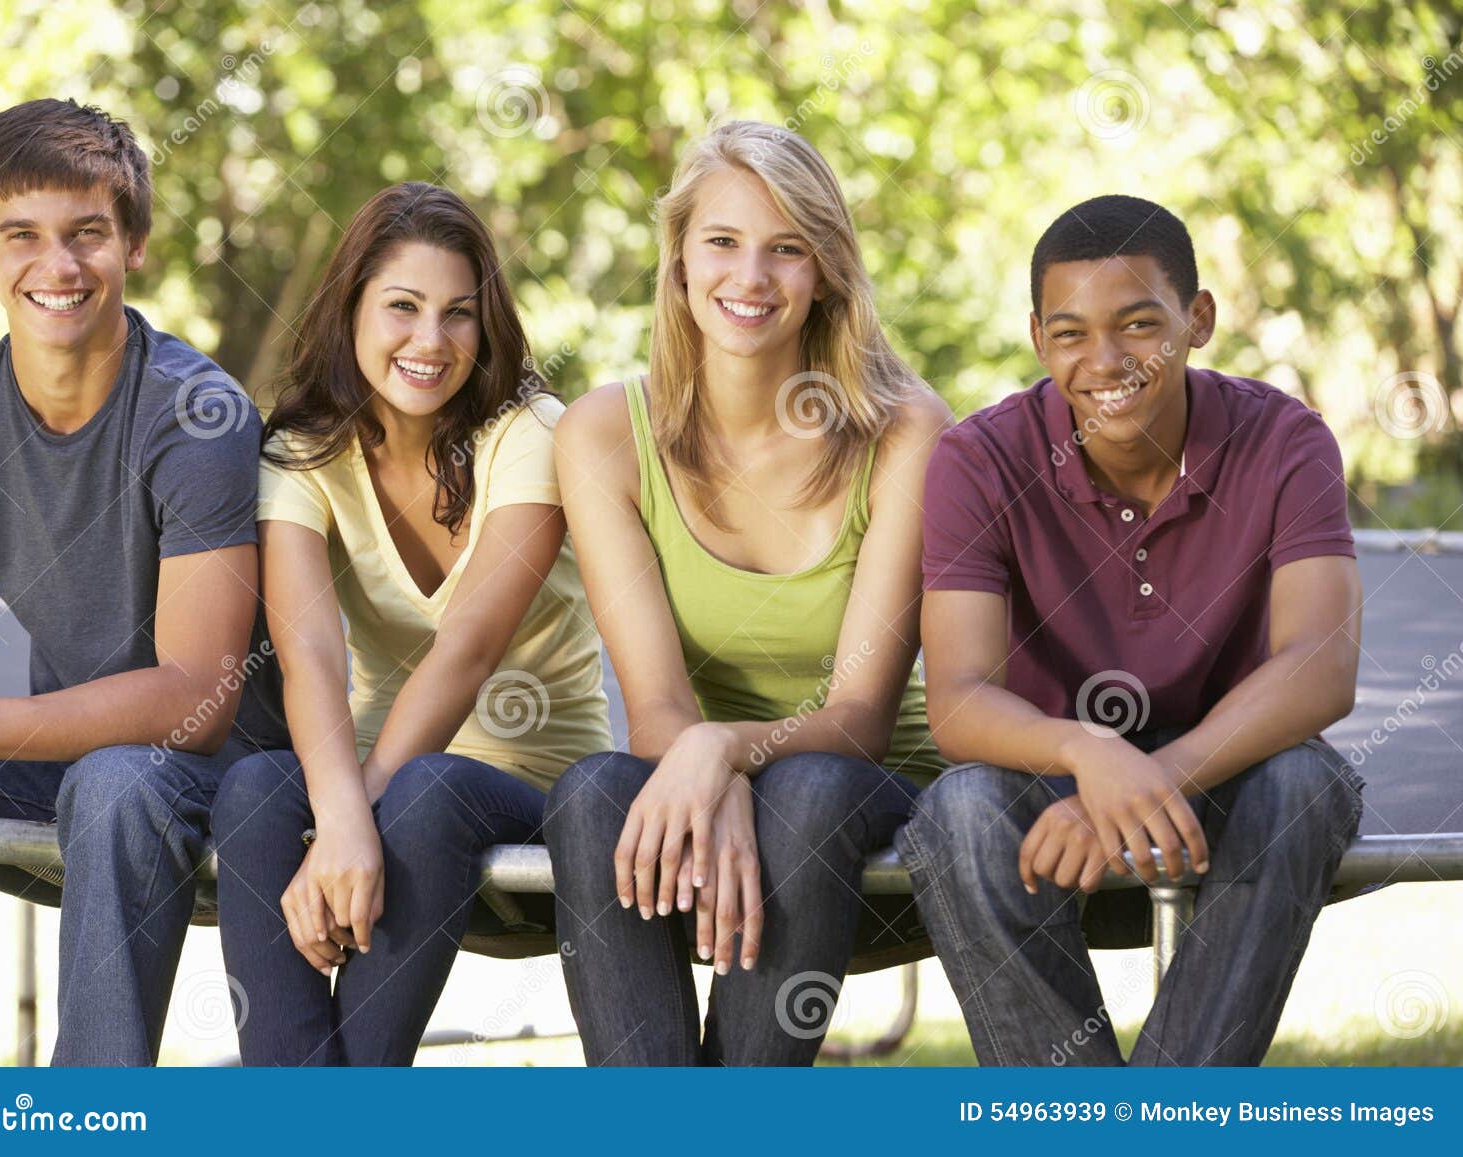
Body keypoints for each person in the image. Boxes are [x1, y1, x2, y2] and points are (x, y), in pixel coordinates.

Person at [0, 98, 288, 1066]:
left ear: (132, 243)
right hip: (65, 764)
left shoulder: (199, 413)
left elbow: (195, 699)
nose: (58, 267)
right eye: (23, 235)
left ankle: (90, 1113)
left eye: (87, 233)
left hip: (215, 783)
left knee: (115, 778)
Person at [896, 194, 1364, 1066]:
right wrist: (1087, 754)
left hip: (1225, 779)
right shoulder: (978, 457)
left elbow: (1322, 664)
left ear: (1199, 320)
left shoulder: (1284, 440)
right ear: (1039, 338)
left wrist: (1147, 774)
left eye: (1139, 324)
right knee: (957, 811)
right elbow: (957, 702)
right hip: (1051, 795)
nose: (1104, 360)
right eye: (1071, 333)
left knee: (1306, 782)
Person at [545, 121, 951, 1066]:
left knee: (805, 787)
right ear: (679, 259)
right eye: (722, 243)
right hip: (705, 795)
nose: (750, 278)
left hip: (873, 797)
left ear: (827, 273)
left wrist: (725, 751)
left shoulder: (906, 432)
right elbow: (654, 706)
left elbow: (857, 714)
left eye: (787, 249)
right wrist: (714, 767)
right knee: (594, 787)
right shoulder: (605, 434)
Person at [210, 182, 611, 1066]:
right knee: (252, 792)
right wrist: (344, 811)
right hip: (379, 786)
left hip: (535, 793)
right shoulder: (301, 451)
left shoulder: (531, 433)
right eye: (402, 306)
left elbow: (467, 647)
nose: (431, 341)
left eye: (458, 314)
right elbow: (309, 652)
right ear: (350, 307)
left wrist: (360, 812)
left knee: (429, 787)